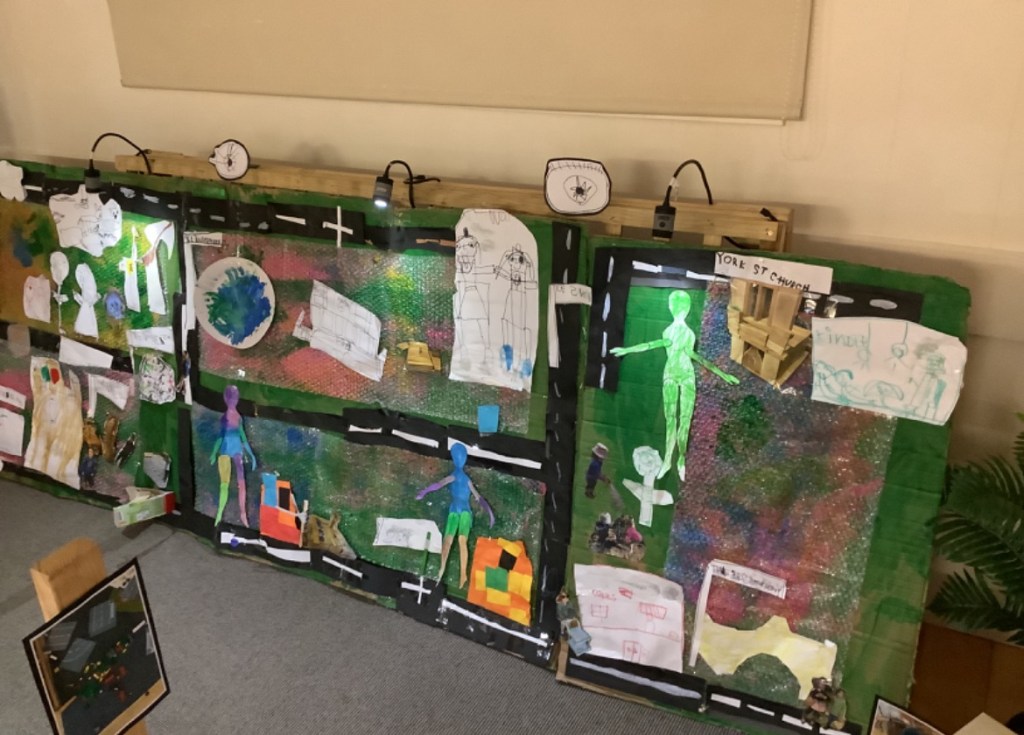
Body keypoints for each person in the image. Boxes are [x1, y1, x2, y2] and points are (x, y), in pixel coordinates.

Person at [611, 290, 737, 480]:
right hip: (673, 374)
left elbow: (686, 354)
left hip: (683, 375)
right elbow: (654, 345)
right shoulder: (674, 332)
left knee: (682, 420)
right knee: (673, 419)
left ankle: (680, 460)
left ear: (675, 308)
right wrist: (627, 350)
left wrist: (724, 375)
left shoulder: (681, 333)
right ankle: (670, 460)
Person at [415, 442, 494, 587]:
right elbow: (478, 497)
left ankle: (454, 572)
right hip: (461, 512)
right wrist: (489, 511)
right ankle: (452, 572)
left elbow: (439, 484)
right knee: (456, 541)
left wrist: (425, 492)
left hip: (459, 512)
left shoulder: (455, 476)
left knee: (452, 541)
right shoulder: (465, 479)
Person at [210, 385, 256, 527]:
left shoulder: (237, 418)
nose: (232, 400)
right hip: (227, 451)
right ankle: (220, 513)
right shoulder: (225, 418)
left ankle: (242, 514)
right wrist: (213, 453)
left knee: (240, 483)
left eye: (234, 398)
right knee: (225, 484)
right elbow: (220, 437)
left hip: (235, 451)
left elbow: (243, 437)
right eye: (231, 398)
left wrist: (252, 455)